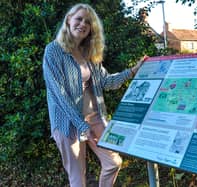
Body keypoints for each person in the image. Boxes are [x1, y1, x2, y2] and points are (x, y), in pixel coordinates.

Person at [42, 3, 146, 187]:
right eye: (79, 19)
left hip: (95, 118)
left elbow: (107, 82)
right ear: (68, 20)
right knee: (77, 177)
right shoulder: (53, 51)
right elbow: (59, 94)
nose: (83, 24)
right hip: (67, 122)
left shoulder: (88, 53)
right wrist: (81, 125)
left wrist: (133, 70)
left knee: (113, 162)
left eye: (88, 22)